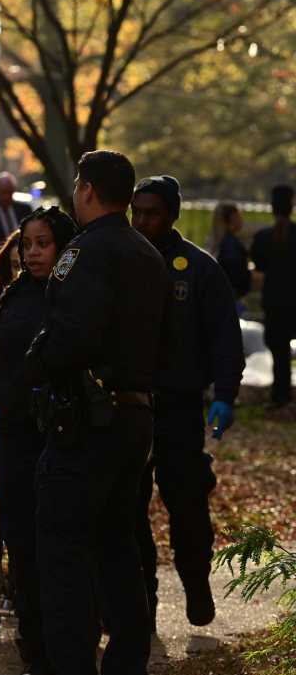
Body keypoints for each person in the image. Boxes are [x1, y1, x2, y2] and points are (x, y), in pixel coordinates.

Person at [28, 150, 167, 675]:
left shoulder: (85, 251)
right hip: (134, 417)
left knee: (63, 555)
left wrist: (35, 362)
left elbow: (70, 332)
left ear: (87, 190)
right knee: (119, 549)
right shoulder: (147, 253)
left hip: (86, 422)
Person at [130, 176, 244, 631]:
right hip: (130, 406)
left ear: (172, 214)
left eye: (152, 212)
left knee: (188, 507)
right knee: (128, 507)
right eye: (136, 212)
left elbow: (224, 338)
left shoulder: (199, 268)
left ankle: (196, 587)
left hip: (179, 408)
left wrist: (225, 395)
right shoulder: (124, 262)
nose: (142, 221)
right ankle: (142, 603)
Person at [0, 206, 77, 675]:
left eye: (43, 244)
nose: (34, 253)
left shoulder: (72, 295)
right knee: (20, 543)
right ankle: (33, 650)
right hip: (17, 433)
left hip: (59, 432)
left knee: (56, 545)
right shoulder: (15, 295)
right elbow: (2, 361)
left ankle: (64, 651)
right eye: (28, 245)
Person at [250, 184, 296, 408]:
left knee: (278, 349)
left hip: (274, 299)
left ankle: (281, 394)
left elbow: (259, 266)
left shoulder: (264, 237)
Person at [208, 202, 251, 301]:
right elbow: (235, 272)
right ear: (233, 218)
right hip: (231, 296)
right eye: (239, 216)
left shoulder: (221, 242)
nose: (242, 220)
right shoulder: (230, 244)